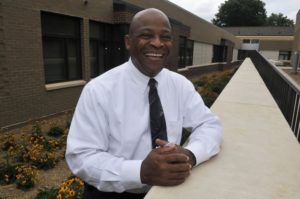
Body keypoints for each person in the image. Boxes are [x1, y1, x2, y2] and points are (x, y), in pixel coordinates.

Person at [66, 8, 222, 199]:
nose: (157, 43)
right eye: (146, 35)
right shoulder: (99, 90)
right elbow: (81, 156)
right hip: (115, 193)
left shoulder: (180, 85)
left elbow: (209, 124)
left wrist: (189, 155)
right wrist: (140, 171)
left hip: (169, 190)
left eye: (165, 37)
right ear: (128, 42)